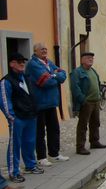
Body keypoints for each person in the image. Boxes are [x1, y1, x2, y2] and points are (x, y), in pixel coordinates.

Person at [0, 53, 44, 183]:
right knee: (15, 145)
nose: (21, 64)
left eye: (23, 62)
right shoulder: (6, 81)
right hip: (17, 118)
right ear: (11, 64)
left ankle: (30, 165)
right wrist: (11, 116)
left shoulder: (26, 78)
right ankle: (14, 172)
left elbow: (31, 95)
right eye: (18, 61)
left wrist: (35, 110)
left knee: (30, 142)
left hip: (30, 116)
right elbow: (4, 100)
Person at [25, 43, 69, 167]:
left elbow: (63, 73)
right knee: (40, 131)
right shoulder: (33, 64)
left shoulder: (48, 62)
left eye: (45, 48)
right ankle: (41, 157)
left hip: (51, 102)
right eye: (42, 49)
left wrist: (53, 75)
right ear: (35, 51)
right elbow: (44, 82)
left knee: (54, 129)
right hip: (39, 103)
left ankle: (54, 154)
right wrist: (55, 76)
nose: (45, 51)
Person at [70, 52, 106, 155]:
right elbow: (75, 88)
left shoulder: (93, 71)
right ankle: (80, 147)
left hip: (95, 101)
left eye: (92, 58)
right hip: (86, 102)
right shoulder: (77, 72)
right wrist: (83, 100)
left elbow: (97, 83)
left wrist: (99, 95)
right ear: (82, 60)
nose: (91, 59)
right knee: (83, 125)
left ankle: (94, 141)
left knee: (95, 122)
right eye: (88, 58)